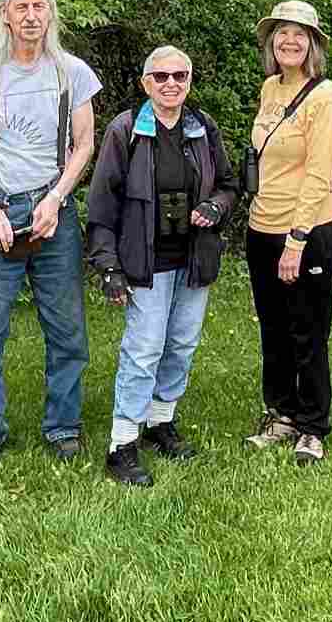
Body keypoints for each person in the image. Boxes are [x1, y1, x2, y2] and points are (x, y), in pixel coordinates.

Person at [0, 0, 101, 464]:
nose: (32, 16)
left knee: (68, 331)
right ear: (5, 15)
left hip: (51, 210)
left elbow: (84, 144)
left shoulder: (72, 73)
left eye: (40, 6)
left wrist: (56, 198)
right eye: (22, 7)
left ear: (50, 12)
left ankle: (63, 426)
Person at [85, 46, 239, 486]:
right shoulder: (127, 129)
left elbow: (229, 185)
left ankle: (160, 422)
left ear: (190, 80)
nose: (171, 84)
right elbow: (102, 202)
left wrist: (215, 206)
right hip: (144, 261)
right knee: (144, 348)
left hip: (193, 258)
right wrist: (108, 265)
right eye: (162, 76)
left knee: (182, 345)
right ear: (145, 83)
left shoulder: (201, 126)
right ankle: (122, 444)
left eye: (180, 76)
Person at [242, 0, 332, 466]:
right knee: (274, 329)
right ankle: (280, 413)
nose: (290, 41)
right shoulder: (270, 89)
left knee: (307, 329)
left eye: (300, 34)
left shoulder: (325, 97)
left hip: (308, 228)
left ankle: (312, 425)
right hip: (261, 226)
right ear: (271, 42)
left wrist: (297, 239)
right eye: (282, 33)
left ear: (313, 44)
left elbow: (320, 173)